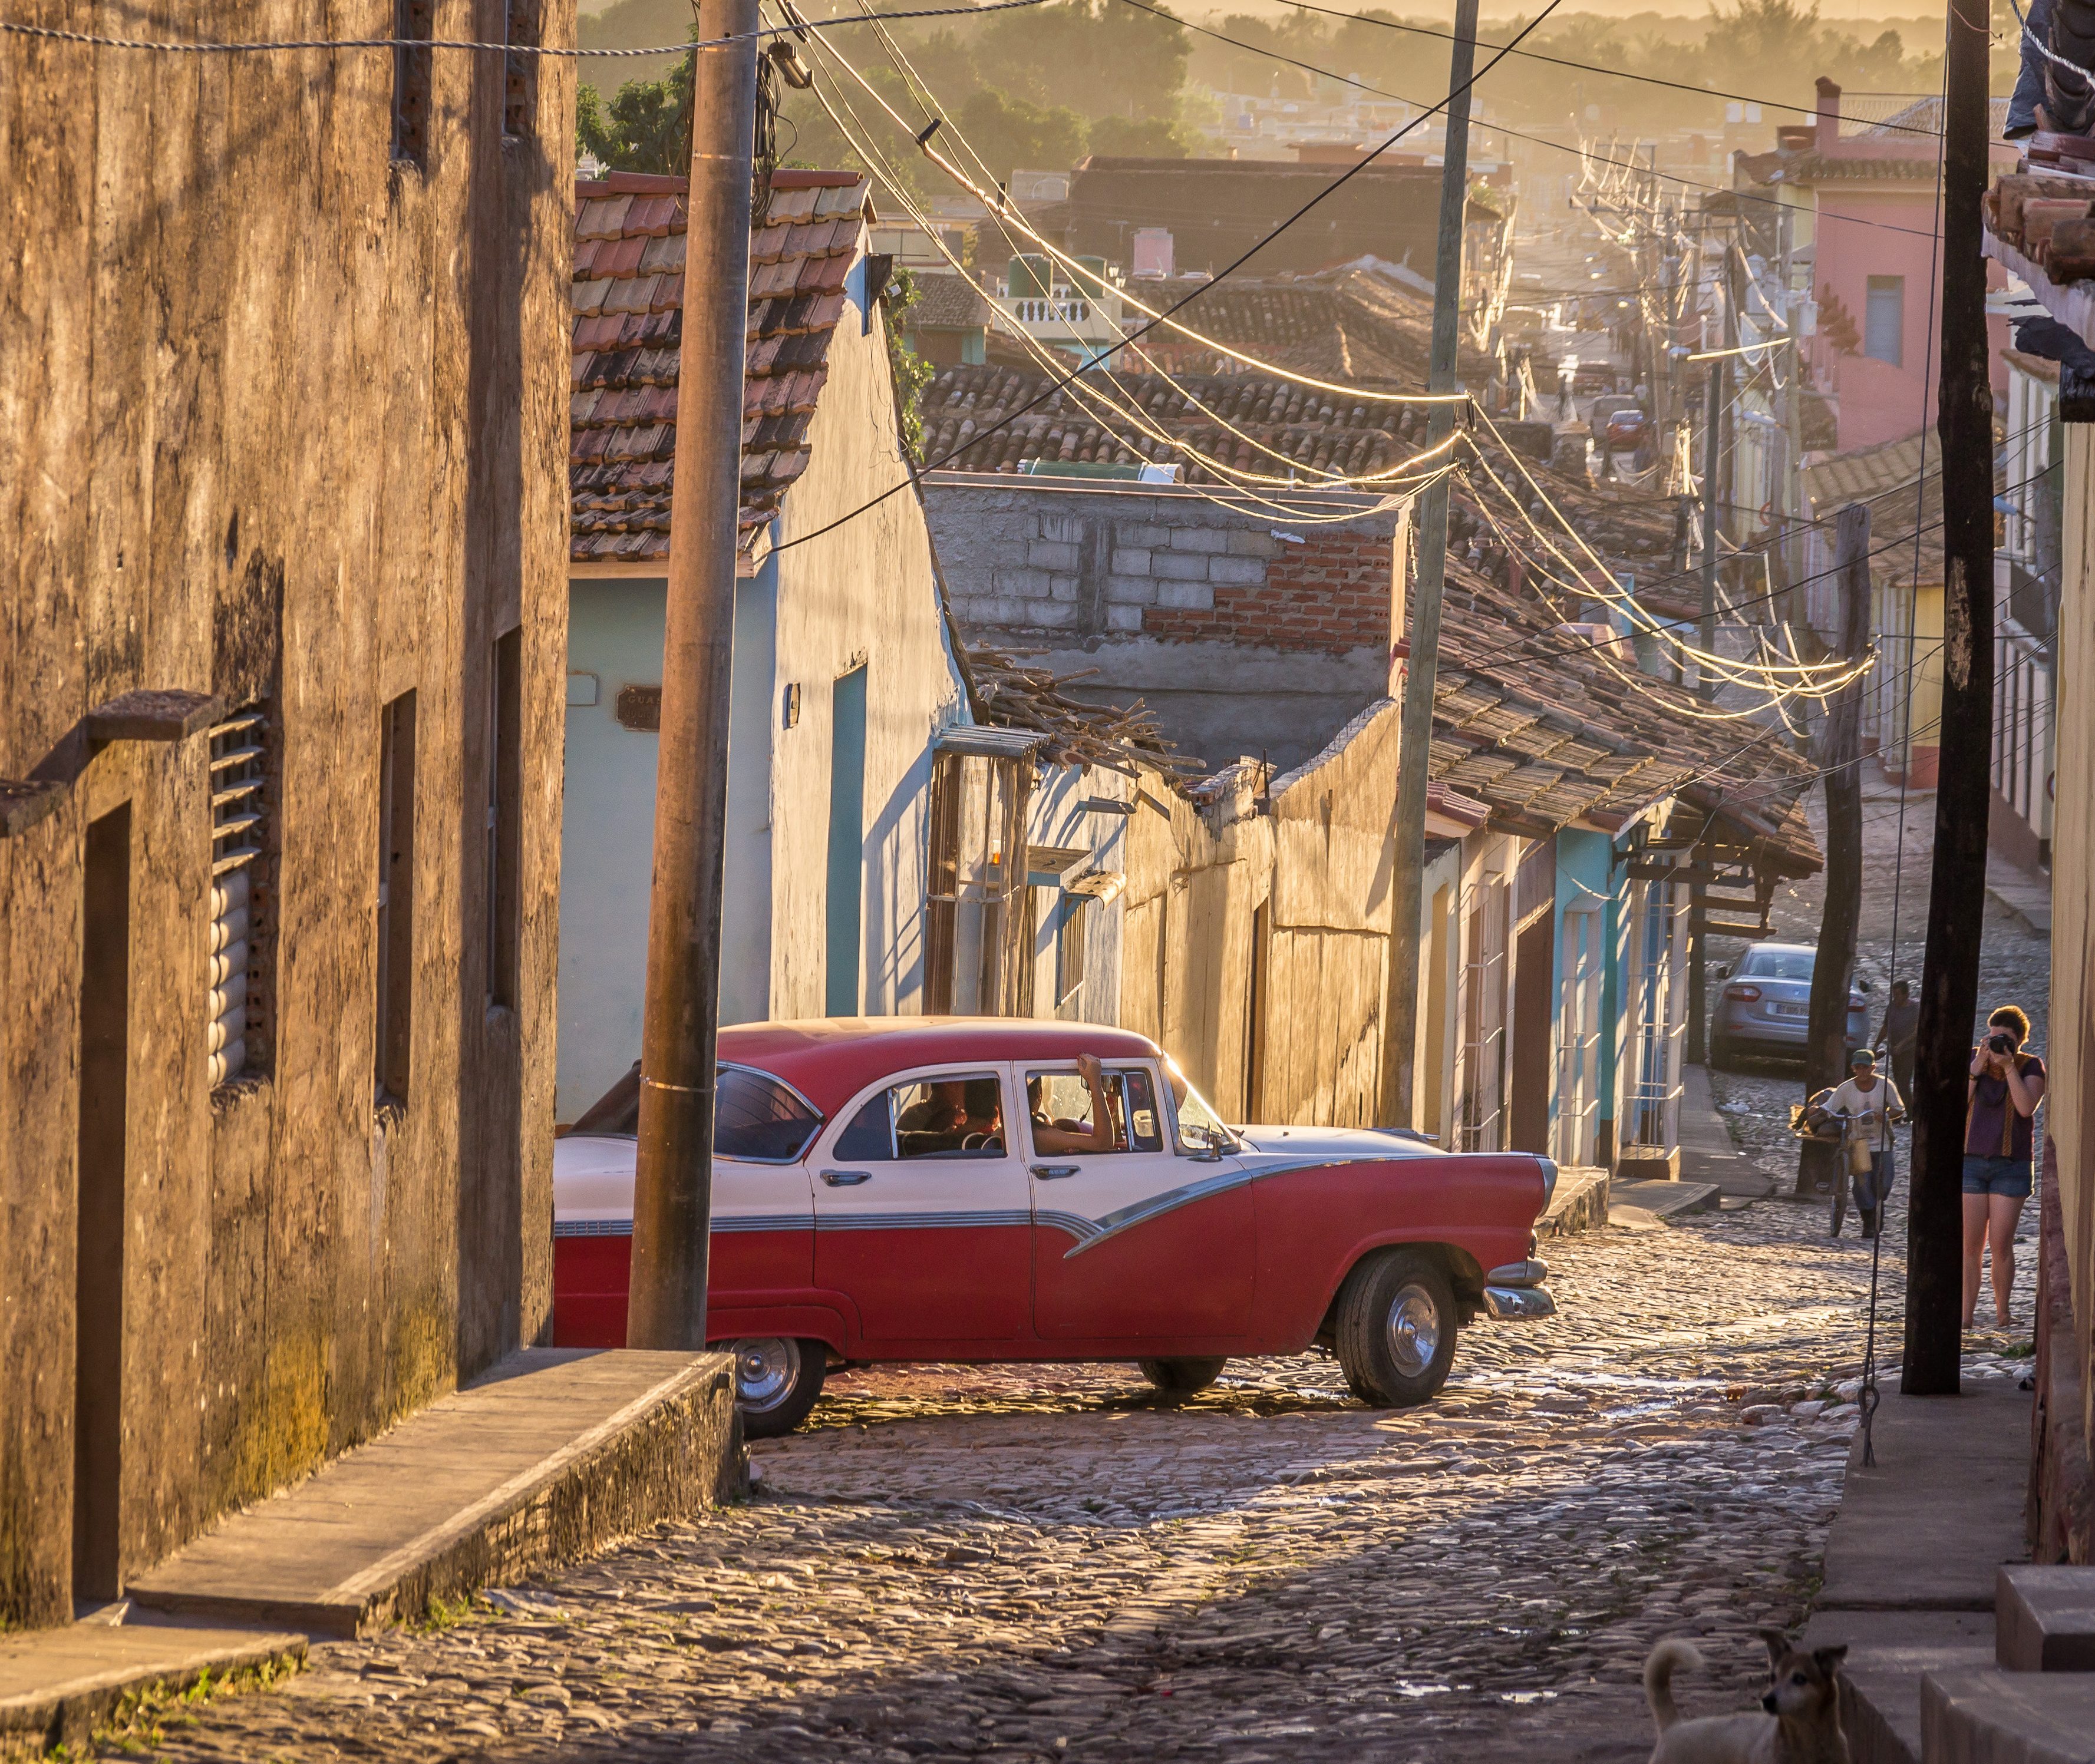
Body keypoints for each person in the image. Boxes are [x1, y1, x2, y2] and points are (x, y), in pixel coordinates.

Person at [1964, 1005, 2047, 1330]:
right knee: (1970, 1246)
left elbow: (2026, 1107)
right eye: (1994, 1037)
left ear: (2020, 1042)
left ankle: (2002, 1311)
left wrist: (2009, 1067)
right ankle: (1966, 1316)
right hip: (1970, 1162)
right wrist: (1977, 1068)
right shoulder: (1975, 1060)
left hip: (2010, 1166)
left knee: (2000, 1243)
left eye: (2007, 1040)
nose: (1998, 1044)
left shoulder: (2031, 1066)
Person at [1826, 1048, 1905, 1239]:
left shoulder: (1885, 1085)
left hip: (1883, 1143)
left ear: (1873, 1067)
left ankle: (1877, 1210)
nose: (1862, 1072)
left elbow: (1899, 1109)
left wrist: (1885, 1116)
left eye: (1865, 1067)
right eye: (1858, 1068)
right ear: (1854, 1069)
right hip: (1859, 1143)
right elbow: (1830, 1108)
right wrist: (1818, 1112)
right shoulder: (1846, 1089)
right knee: (1862, 1185)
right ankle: (1869, 1223)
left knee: (1884, 1184)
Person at [1028, 1052, 1124, 1156]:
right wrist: (1095, 1082)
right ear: (1038, 1095)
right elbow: (1102, 1142)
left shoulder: (1023, 1130)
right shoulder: (1037, 1134)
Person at [1874, 979, 1919, 1104]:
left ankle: (1910, 1114)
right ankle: (1899, 1112)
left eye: (1898, 995)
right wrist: (1876, 1045)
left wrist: (1902, 1044)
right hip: (1895, 1052)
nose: (1895, 998)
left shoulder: (1915, 1009)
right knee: (1898, 1082)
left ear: (1906, 995)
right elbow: (1885, 1027)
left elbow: (1917, 1031)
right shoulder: (1892, 1007)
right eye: (1894, 995)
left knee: (1903, 1083)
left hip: (1909, 1051)